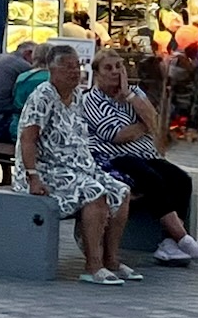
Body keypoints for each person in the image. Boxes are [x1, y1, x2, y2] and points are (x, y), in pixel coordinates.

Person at [81, 48, 198, 266]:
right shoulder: (91, 100)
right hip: (113, 157)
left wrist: (130, 98)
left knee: (180, 179)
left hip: (144, 154)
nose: (115, 72)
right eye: (108, 68)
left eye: (118, 66)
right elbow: (118, 136)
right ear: (97, 73)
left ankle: (169, 243)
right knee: (150, 178)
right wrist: (145, 123)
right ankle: (183, 238)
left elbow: (155, 121)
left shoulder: (134, 93)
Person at [17, 42, 133, 286]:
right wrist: (33, 176)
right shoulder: (43, 96)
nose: (75, 72)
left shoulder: (78, 95)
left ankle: (111, 258)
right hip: (48, 170)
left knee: (122, 191)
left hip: (79, 167)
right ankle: (93, 265)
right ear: (52, 70)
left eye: (77, 66)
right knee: (94, 193)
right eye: (68, 67)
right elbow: (28, 138)